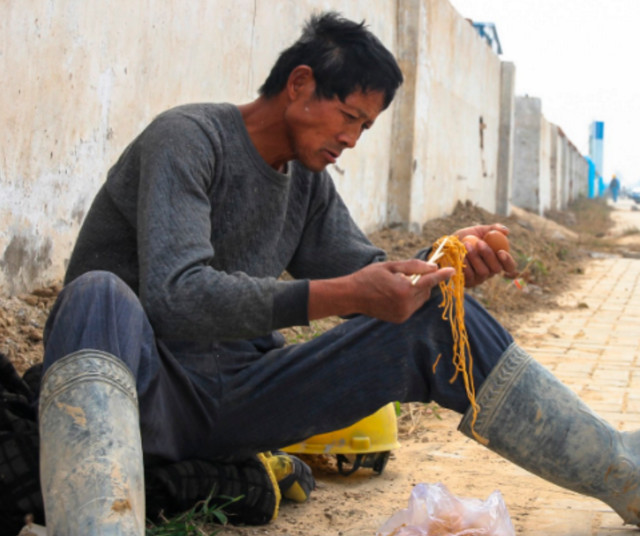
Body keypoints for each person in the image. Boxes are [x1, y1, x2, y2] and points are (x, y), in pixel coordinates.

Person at [37, 11, 640, 534]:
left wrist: (441, 267)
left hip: (240, 403)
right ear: (300, 85)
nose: (351, 139)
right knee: (96, 295)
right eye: (348, 116)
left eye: (365, 127)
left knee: (431, 320)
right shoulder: (189, 140)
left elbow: (371, 279)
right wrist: (341, 294)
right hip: (143, 395)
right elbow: (175, 297)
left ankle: (623, 472)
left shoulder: (307, 185)